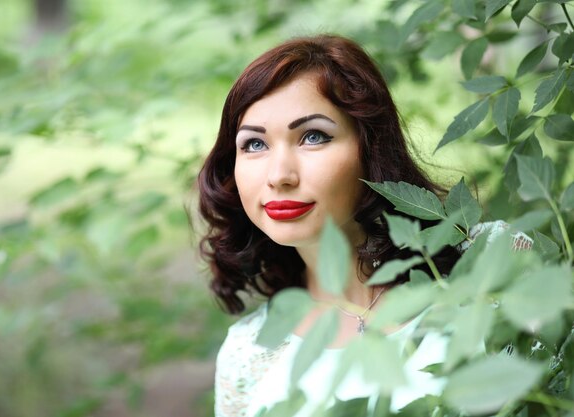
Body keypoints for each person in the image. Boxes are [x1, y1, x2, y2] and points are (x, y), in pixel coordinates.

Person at [197, 34, 526, 416]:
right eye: (254, 144)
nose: (279, 175)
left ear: (371, 150)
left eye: (313, 137)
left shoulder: (493, 263)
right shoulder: (246, 354)